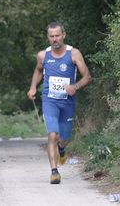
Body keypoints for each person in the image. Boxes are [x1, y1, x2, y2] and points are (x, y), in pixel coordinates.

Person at [27, 22, 92, 184]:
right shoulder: (43, 56)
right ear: (48, 37)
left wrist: (75, 86)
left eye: (57, 35)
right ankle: (54, 172)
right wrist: (33, 87)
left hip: (67, 102)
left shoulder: (74, 54)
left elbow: (87, 77)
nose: (55, 39)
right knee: (52, 134)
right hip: (50, 100)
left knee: (64, 139)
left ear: (63, 35)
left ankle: (62, 149)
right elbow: (38, 71)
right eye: (51, 36)